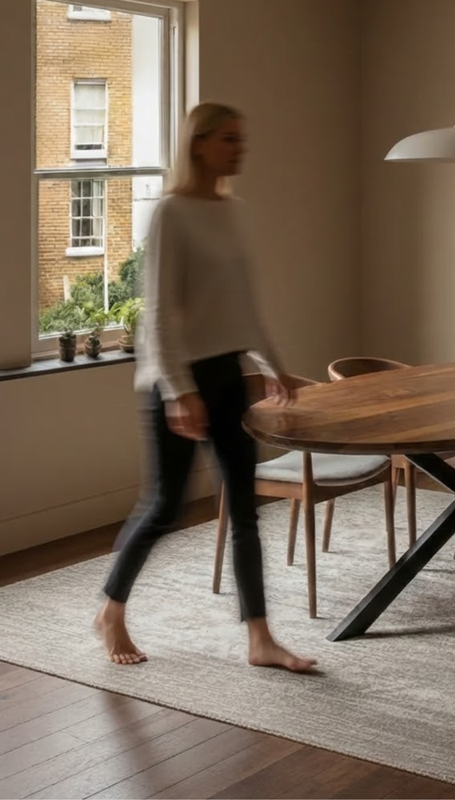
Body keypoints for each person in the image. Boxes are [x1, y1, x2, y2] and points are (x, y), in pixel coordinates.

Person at [95, 102, 317, 672]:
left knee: (244, 507)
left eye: (242, 139)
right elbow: (160, 312)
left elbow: (244, 302)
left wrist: (273, 362)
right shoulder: (171, 212)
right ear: (198, 144)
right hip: (176, 378)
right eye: (228, 139)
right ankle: (112, 609)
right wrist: (177, 390)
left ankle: (261, 638)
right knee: (166, 505)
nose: (239, 148)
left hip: (224, 375)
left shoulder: (234, 211)